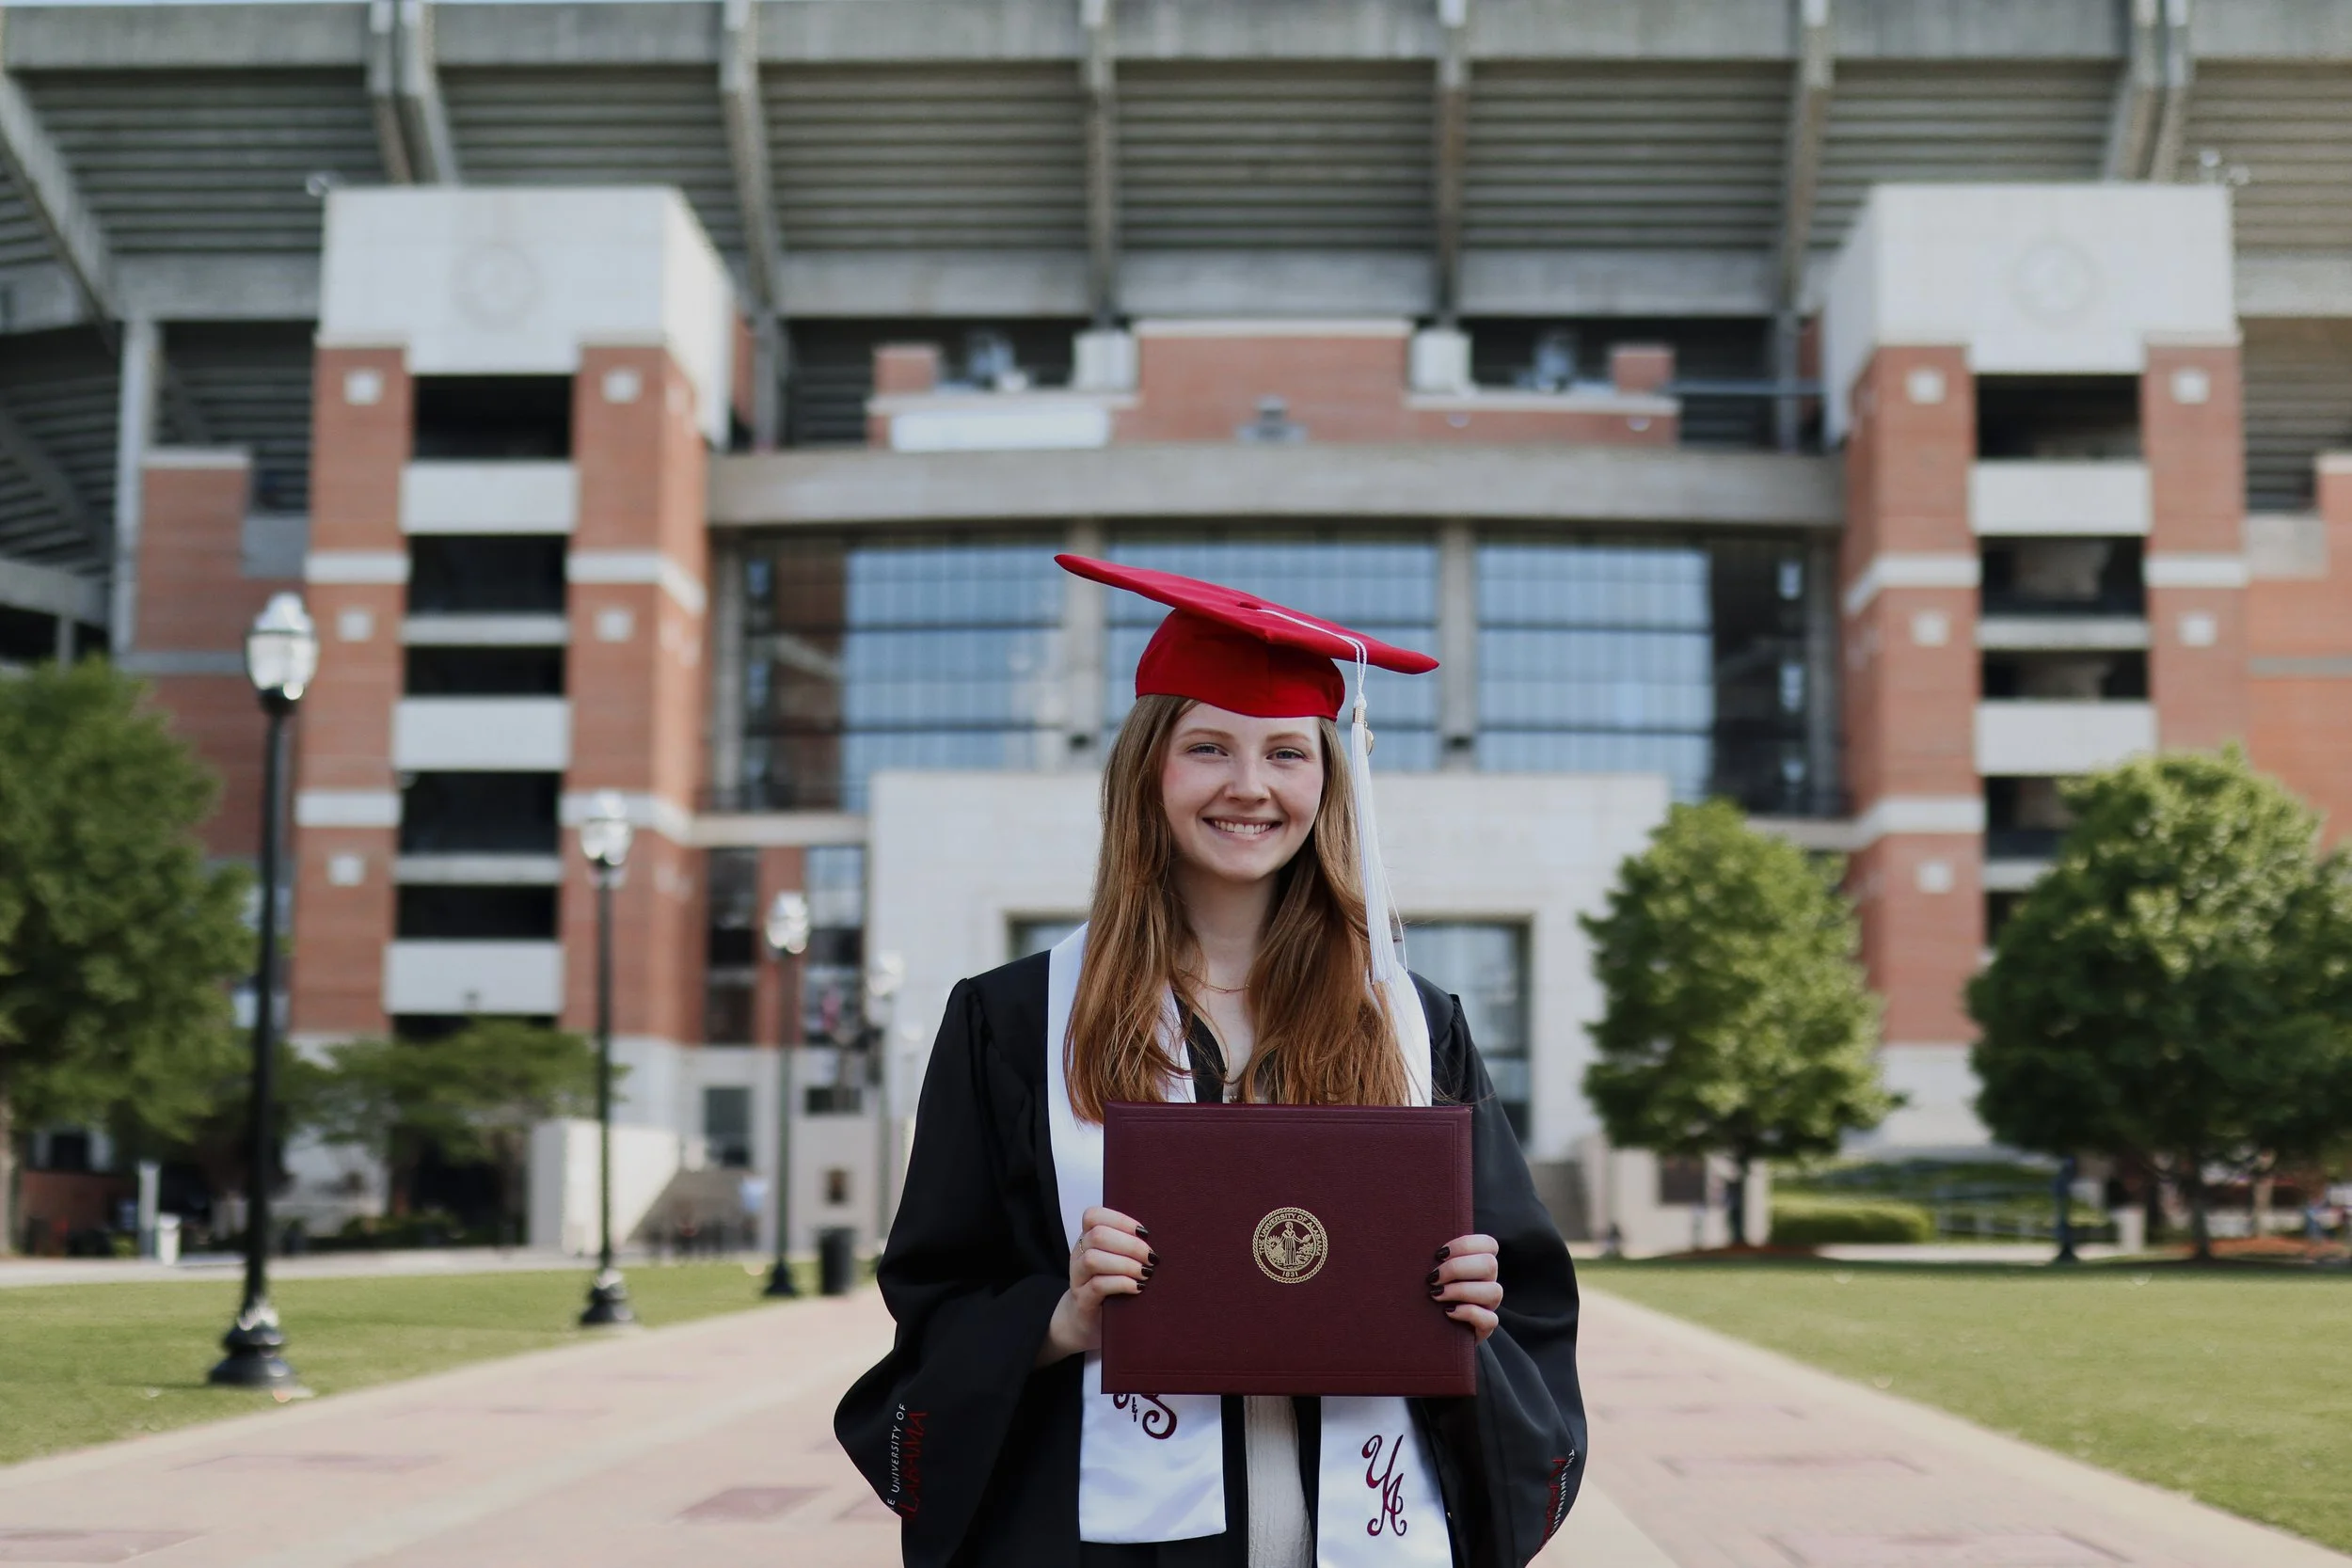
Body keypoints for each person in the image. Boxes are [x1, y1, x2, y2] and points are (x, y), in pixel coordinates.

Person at [836, 556, 1586, 1568]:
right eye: (1208, 747)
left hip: (1368, 1530)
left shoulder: (1414, 1021)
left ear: (1329, 779)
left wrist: (1474, 1307)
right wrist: (1058, 1320)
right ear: (1148, 768)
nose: (1251, 785)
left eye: (1287, 752)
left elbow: (1529, 1301)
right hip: (1104, 1541)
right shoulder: (1012, 1021)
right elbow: (936, 1295)